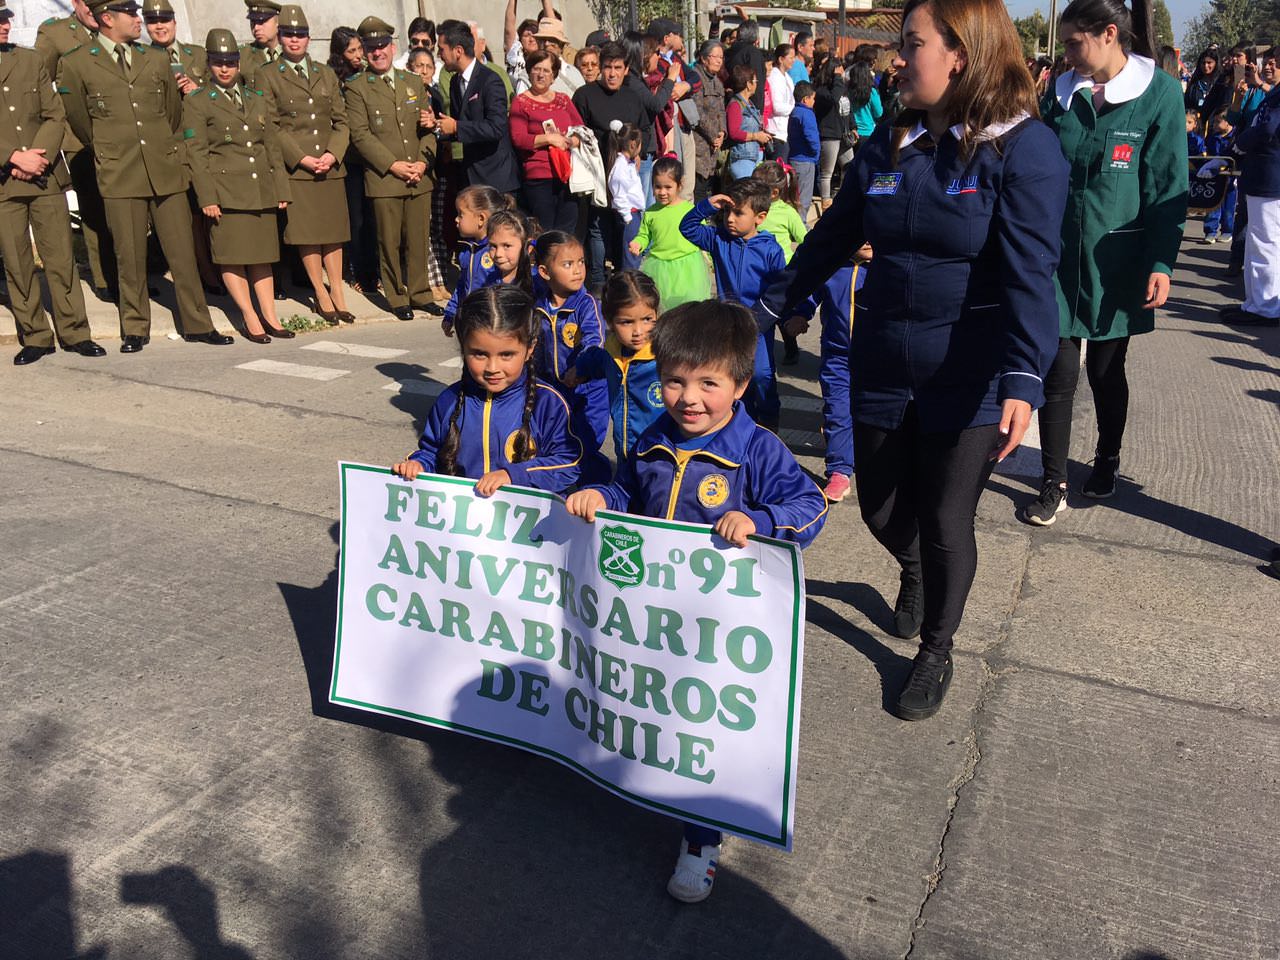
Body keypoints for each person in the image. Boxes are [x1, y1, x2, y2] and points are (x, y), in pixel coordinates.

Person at [757, 0, 1069, 720]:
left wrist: (1024, 374)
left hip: (972, 375)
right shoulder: (889, 144)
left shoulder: (1023, 148)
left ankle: (936, 647)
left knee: (945, 516)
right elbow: (833, 234)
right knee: (882, 508)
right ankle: (912, 568)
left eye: (911, 45)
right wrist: (770, 308)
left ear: (960, 52)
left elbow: (1031, 275)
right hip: (883, 362)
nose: (898, 59)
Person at [564, 300, 828, 903]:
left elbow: (809, 509)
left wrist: (761, 520)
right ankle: (641, 781)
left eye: (708, 383)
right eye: (675, 381)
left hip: (717, 627)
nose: (689, 398)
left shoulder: (757, 449)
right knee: (647, 707)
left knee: (698, 728)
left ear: (739, 385)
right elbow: (627, 489)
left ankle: (701, 839)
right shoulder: (655, 438)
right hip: (650, 616)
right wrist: (600, 495)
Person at [1024, 0, 1187, 524]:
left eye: (1074, 43)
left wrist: (1161, 261)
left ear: (1109, 34)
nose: (1066, 54)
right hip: (1059, 256)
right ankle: (1055, 481)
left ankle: (1107, 460)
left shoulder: (1158, 94)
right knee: (1058, 369)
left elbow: (1168, 186)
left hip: (1118, 257)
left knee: (1106, 369)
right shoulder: (1060, 92)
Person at [58, 0, 234, 352]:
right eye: (132, 14)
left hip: (164, 167)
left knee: (182, 252)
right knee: (130, 254)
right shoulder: (77, 63)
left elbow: (170, 112)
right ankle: (135, 327)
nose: (140, 20)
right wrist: (110, 149)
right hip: (119, 170)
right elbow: (79, 117)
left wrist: (159, 148)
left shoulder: (154, 59)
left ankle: (198, 323)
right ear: (108, 18)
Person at [392, 285, 583, 495]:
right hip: (465, 520)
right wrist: (418, 465)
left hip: (529, 524)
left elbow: (569, 463)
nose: (493, 368)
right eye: (480, 354)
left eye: (506, 355)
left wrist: (514, 475)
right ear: (464, 348)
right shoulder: (449, 401)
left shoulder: (548, 403)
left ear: (529, 349)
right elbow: (432, 452)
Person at [0, 3, 104, 366]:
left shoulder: (29, 61)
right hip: (4, 182)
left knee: (61, 257)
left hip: (43, 174)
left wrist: (35, 158)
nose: (5, 25)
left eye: (6, 18)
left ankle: (76, 332)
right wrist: (13, 157)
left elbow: (54, 113)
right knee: (18, 262)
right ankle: (36, 336)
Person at [185, 29, 293, 344]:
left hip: (259, 189)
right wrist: (207, 197)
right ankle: (248, 314)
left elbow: (271, 147)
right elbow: (197, 154)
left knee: (262, 256)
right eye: (218, 62)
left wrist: (281, 189)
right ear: (209, 63)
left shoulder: (255, 99)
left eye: (230, 62)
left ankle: (270, 315)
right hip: (226, 193)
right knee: (232, 256)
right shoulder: (199, 101)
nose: (225, 68)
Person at [344, 16, 439, 322]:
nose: (378, 52)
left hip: (418, 175)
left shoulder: (413, 81)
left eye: (382, 45)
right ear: (365, 51)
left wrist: (424, 161)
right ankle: (398, 297)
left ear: (392, 46)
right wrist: (393, 165)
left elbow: (427, 127)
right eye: (371, 47)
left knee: (418, 239)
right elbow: (359, 135)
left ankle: (420, 293)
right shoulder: (357, 87)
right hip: (385, 177)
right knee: (389, 240)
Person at [263, 4, 355, 324]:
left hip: (329, 166)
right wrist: (300, 158)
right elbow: (271, 126)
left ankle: (339, 292)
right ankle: (320, 291)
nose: (294, 41)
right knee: (308, 235)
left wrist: (332, 153)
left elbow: (342, 121)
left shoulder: (325, 73)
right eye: (288, 35)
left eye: (300, 35)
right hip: (299, 169)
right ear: (281, 38)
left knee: (332, 233)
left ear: (308, 38)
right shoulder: (269, 75)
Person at [680, 179, 786, 427]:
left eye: (738, 213)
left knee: (761, 376)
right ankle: (742, 426)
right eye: (727, 211)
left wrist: (792, 317)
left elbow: (782, 287)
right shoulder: (718, 239)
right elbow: (687, 228)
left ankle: (770, 426)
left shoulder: (771, 250)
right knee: (734, 377)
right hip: (727, 324)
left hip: (759, 323)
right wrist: (707, 205)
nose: (729, 218)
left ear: (760, 217)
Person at [37, 0, 118, 302]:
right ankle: (104, 277)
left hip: (119, 133)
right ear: (76, 3)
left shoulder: (113, 27)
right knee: (95, 207)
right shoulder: (55, 34)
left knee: (125, 209)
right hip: (79, 137)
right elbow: (39, 83)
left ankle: (129, 276)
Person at [530, 231, 610, 479]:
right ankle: (563, 483)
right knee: (555, 440)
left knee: (586, 443)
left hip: (588, 392)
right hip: (553, 388)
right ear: (544, 272)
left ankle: (596, 482)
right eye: (567, 264)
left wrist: (582, 368)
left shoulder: (586, 304)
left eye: (581, 262)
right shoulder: (538, 303)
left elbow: (594, 339)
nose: (577, 270)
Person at [563, 270, 663, 458]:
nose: (638, 331)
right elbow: (597, 360)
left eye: (647, 319)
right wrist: (579, 369)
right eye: (626, 322)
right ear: (609, 321)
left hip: (659, 457)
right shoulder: (612, 353)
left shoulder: (666, 359)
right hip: (624, 450)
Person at [572, 42, 647, 287]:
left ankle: (624, 277)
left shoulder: (633, 98)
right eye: (607, 67)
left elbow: (644, 130)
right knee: (597, 228)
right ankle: (596, 280)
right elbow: (575, 131)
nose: (612, 73)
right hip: (596, 175)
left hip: (625, 178)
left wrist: (638, 154)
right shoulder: (585, 95)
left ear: (626, 69)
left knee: (626, 228)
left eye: (617, 67)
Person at [1219, 69, 1280, 327]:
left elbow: (1267, 127)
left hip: (1271, 176)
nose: (1270, 66)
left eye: (1275, 61)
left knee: (1266, 243)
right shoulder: (1275, 91)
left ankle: (1266, 307)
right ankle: (1255, 303)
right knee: (1258, 243)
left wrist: (1239, 144)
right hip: (1262, 175)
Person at [813, 244, 872, 503]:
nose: (867, 240)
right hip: (837, 358)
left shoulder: (891, 265)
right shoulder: (832, 265)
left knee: (873, 414)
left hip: (880, 358)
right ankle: (839, 469)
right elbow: (808, 292)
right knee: (838, 409)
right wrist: (799, 315)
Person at [435, 19, 521, 196]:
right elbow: (459, 125)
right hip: (470, 177)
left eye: (441, 49)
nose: (438, 55)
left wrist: (456, 127)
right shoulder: (454, 81)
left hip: (496, 178)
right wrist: (436, 125)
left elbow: (496, 127)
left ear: (458, 51)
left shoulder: (490, 80)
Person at [508, 49, 583, 234]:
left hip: (567, 174)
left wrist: (570, 141)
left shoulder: (563, 100)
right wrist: (549, 138)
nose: (541, 74)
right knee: (545, 230)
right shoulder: (521, 102)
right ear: (529, 71)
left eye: (547, 70)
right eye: (536, 69)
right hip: (539, 177)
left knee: (567, 230)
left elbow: (581, 130)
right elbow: (519, 138)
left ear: (554, 76)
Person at [630, 157, 710, 309]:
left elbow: (704, 235)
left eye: (668, 187)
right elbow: (645, 235)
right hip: (659, 267)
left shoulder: (690, 210)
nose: (662, 192)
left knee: (688, 308)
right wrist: (638, 243)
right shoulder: (651, 212)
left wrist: (710, 257)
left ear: (680, 185)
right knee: (662, 307)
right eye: (657, 186)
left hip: (687, 267)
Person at [443, 185, 512, 334]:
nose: (456, 219)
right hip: (470, 319)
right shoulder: (468, 250)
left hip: (494, 323)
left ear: (481, 219)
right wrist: (450, 313)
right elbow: (462, 285)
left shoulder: (499, 252)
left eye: (461, 215)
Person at [142, 0, 205, 94]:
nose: (159, 26)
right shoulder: (141, 60)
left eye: (165, 20)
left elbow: (218, 94)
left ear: (174, 23)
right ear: (146, 27)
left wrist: (199, 91)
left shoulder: (199, 54)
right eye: (152, 21)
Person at [690, 40, 727, 201]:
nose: (719, 60)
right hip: (699, 143)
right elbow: (697, 112)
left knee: (708, 188)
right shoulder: (695, 78)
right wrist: (713, 135)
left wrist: (722, 133)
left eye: (721, 57)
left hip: (714, 146)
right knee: (698, 189)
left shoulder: (717, 82)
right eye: (715, 56)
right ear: (704, 59)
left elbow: (721, 111)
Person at [608, 122, 646, 269]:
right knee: (631, 257)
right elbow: (618, 194)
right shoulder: (620, 167)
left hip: (632, 214)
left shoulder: (627, 164)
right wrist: (628, 217)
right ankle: (629, 287)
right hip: (629, 216)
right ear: (633, 144)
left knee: (629, 256)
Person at [813, 56, 849, 208]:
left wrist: (852, 127)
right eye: (839, 69)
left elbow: (847, 108)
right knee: (827, 172)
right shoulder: (821, 91)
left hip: (842, 134)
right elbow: (834, 98)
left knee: (849, 165)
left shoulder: (840, 87)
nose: (842, 72)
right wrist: (838, 78)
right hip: (829, 135)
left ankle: (845, 197)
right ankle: (825, 203)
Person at [725, 64, 769, 181]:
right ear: (748, 84)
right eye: (755, 80)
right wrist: (756, 136)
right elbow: (734, 132)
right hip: (742, 159)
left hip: (754, 156)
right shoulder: (735, 105)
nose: (756, 83)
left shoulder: (749, 103)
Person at [1203, 106, 1236, 243]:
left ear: (1227, 122)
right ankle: (1210, 231)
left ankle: (1227, 231)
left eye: (1218, 122)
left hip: (1230, 177)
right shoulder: (1213, 138)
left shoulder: (1234, 137)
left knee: (1229, 206)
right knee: (1212, 204)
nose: (1214, 125)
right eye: (1214, 122)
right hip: (1215, 177)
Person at [788, 82, 821, 220]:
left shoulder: (794, 112)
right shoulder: (807, 114)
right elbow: (812, 136)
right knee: (804, 197)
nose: (814, 102)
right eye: (813, 98)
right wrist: (816, 152)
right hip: (806, 159)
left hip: (794, 158)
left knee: (795, 196)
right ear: (805, 99)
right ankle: (800, 225)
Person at [485, 209, 535, 293]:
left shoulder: (536, 283)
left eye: (507, 246)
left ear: (527, 248)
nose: (498, 254)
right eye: (493, 246)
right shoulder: (490, 278)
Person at [1184, 46, 1228, 133]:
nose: (1206, 66)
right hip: (1196, 130)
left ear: (1216, 63)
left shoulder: (1221, 84)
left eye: (1209, 62)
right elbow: (1187, 106)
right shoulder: (1194, 85)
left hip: (1215, 129)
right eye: (1203, 63)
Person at [240, 0, 282, 87]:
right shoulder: (243, 55)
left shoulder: (291, 52)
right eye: (253, 21)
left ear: (277, 22)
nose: (256, 27)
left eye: (262, 21)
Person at [727, 19, 767, 112]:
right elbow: (757, 82)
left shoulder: (729, 52)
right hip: (748, 108)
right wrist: (758, 111)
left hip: (731, 103)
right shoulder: (752, 53)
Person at [766, 44, 796, 161]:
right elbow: (776, 106)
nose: (793, 61)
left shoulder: (787, 77)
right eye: (791, 57)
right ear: (781, 59)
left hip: (784, 131)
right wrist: (792, 108)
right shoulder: (774, 76)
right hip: (775, 131)